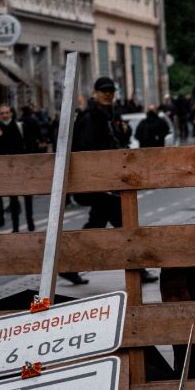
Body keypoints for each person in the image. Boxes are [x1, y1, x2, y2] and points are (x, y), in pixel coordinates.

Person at [72, 77, 155, 283]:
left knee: (96, 226)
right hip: (103, 184)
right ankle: (139, 269)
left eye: (111, 91)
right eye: (103, 91)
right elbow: (86, 151)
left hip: (112, 182)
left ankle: (69, 265)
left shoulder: (110, 115)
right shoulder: (89, 117)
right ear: (95, 93)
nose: (108, 94)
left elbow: (115, 144)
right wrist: (96, 182)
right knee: (124, 225)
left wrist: (124, 132)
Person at [0, 105, 37, 232]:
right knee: (13, 198)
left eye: (7, 112)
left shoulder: (20, 126)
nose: (5, 115)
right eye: (2, 113)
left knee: (28, 197)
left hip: (22, 167)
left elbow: (29, 146)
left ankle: (30, 224)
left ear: (11, 113)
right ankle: (16, 227)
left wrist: (30, 165)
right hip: (9, 169)